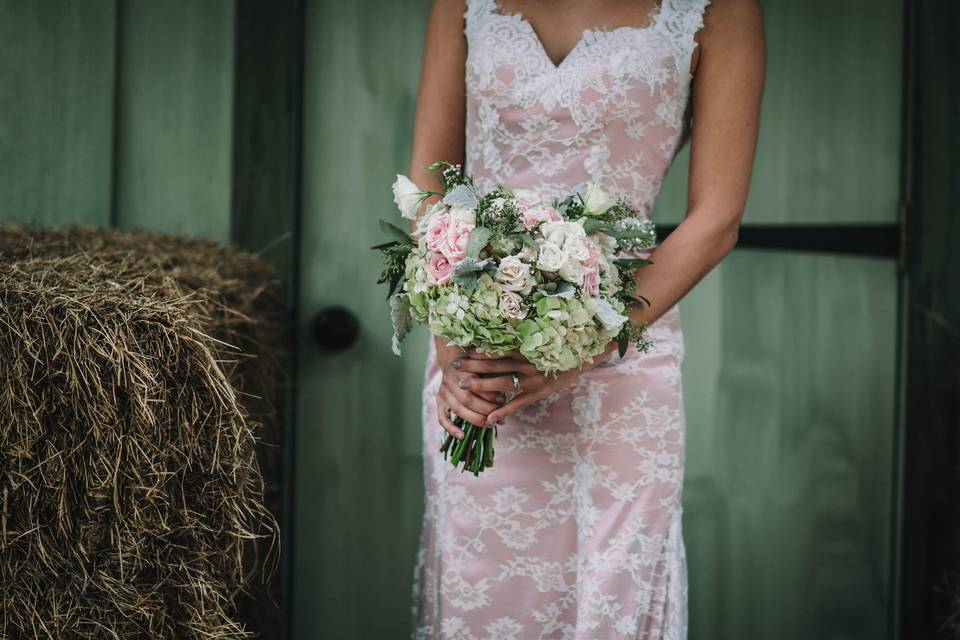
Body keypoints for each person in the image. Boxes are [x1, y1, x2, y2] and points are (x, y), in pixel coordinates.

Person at [407, 0, 765, 637]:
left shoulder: (720, 10)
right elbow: (430, 186)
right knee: (481, 595)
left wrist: (582, 345)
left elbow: (716, 219)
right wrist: (451, 339)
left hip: (624, 355)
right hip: (480, 350)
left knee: (611, 597)